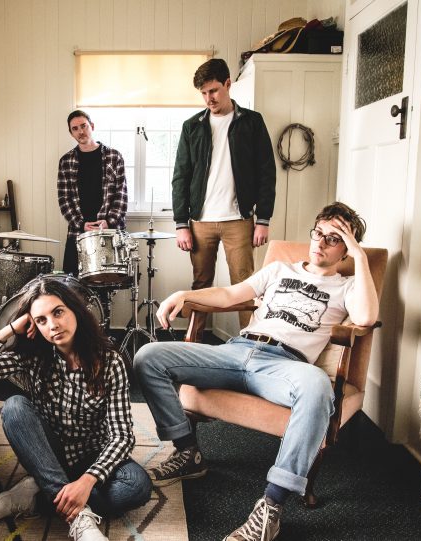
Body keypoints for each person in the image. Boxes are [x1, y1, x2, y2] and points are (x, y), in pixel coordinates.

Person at [134, 202, 378, 541]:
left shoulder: (347, 286)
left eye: (333, 239)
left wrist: (361, 257)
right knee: (148, 356)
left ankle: (272, 506)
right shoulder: (279, 270)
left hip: (283, 365)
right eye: (318, 233)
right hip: (235, 350)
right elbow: (230, 294)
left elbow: (365, 318)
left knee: (318, 386)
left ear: (347, 250)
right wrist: (185, 293)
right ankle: (188, 451)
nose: (320, 243)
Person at [0, 277, 151, 541]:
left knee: (137, 488)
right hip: (48, 452)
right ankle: (80, 519)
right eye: (41, 320)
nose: (53, 325)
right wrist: (10, 328)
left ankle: (36, 494)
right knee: (14, 407)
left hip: (92, 453)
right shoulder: (31, 357)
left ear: (75, 310)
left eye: (58, 312)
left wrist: (87, 480)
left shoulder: (110, 361)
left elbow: (121, 436)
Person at [171, 58, 276, 338]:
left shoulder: (252, 122)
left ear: (228, 84)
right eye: (203, 93)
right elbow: (180, 176)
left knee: (245, 286)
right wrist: (181, 223)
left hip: (239, 221)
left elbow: (267, 172)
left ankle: (251, 345)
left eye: (214, 91)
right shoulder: (191, 127)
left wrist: (263, 219)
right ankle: (194, 346)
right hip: (200, 222)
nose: (209, 98)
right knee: (201, 286)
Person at [57, 110, 128, 275]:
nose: (80, 131)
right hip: (77, 232)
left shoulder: (114, 156)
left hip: (108, 233)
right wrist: (81, 224)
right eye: (75, 128)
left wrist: (108, 222)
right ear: (71, 133)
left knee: (105, 290)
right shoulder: (66, 161)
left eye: (84, 126)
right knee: (72, 285)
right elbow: (64, 199)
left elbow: (121, 195)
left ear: (92, 126)